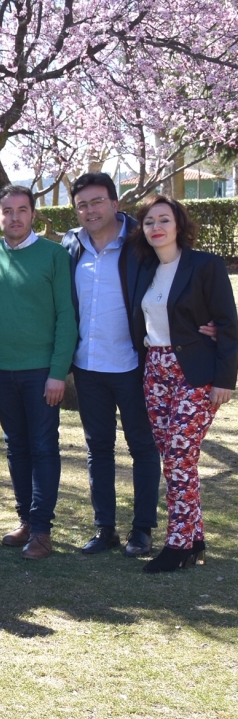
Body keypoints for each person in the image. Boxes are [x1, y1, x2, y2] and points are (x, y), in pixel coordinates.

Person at [128, 195, 237, 573]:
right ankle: (196, 537)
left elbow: (227, 322)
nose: (156, 227)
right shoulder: (145, 268)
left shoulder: (205, 265)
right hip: (154, 370)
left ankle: (178, 545)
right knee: (178, 460)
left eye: (164, 220)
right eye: (149, 222)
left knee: (177, 456)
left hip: (195, 371)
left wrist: (225, 380)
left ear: (178, 224)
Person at [63, 173, 163, 557]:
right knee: (98, 448)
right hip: (88, 366)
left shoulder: (141, 241)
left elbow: (177, 275)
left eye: (97, 201)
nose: (90, 210)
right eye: (83, 204)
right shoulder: (71, 244)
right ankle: (105, 528)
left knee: (142, 446)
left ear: (115, 203)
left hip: (134, 364)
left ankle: (142, 529)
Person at [0, 186, 77, 560]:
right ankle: (25, 519)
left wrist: (58, 373)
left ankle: (42, 530)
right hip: (0, 371)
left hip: (42, 372)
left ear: (34, 214)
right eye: (8, 211)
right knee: (15, 446)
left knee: (43, 446)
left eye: (23, 210)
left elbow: (67, 317)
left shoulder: (54, 255)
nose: (15, 217)